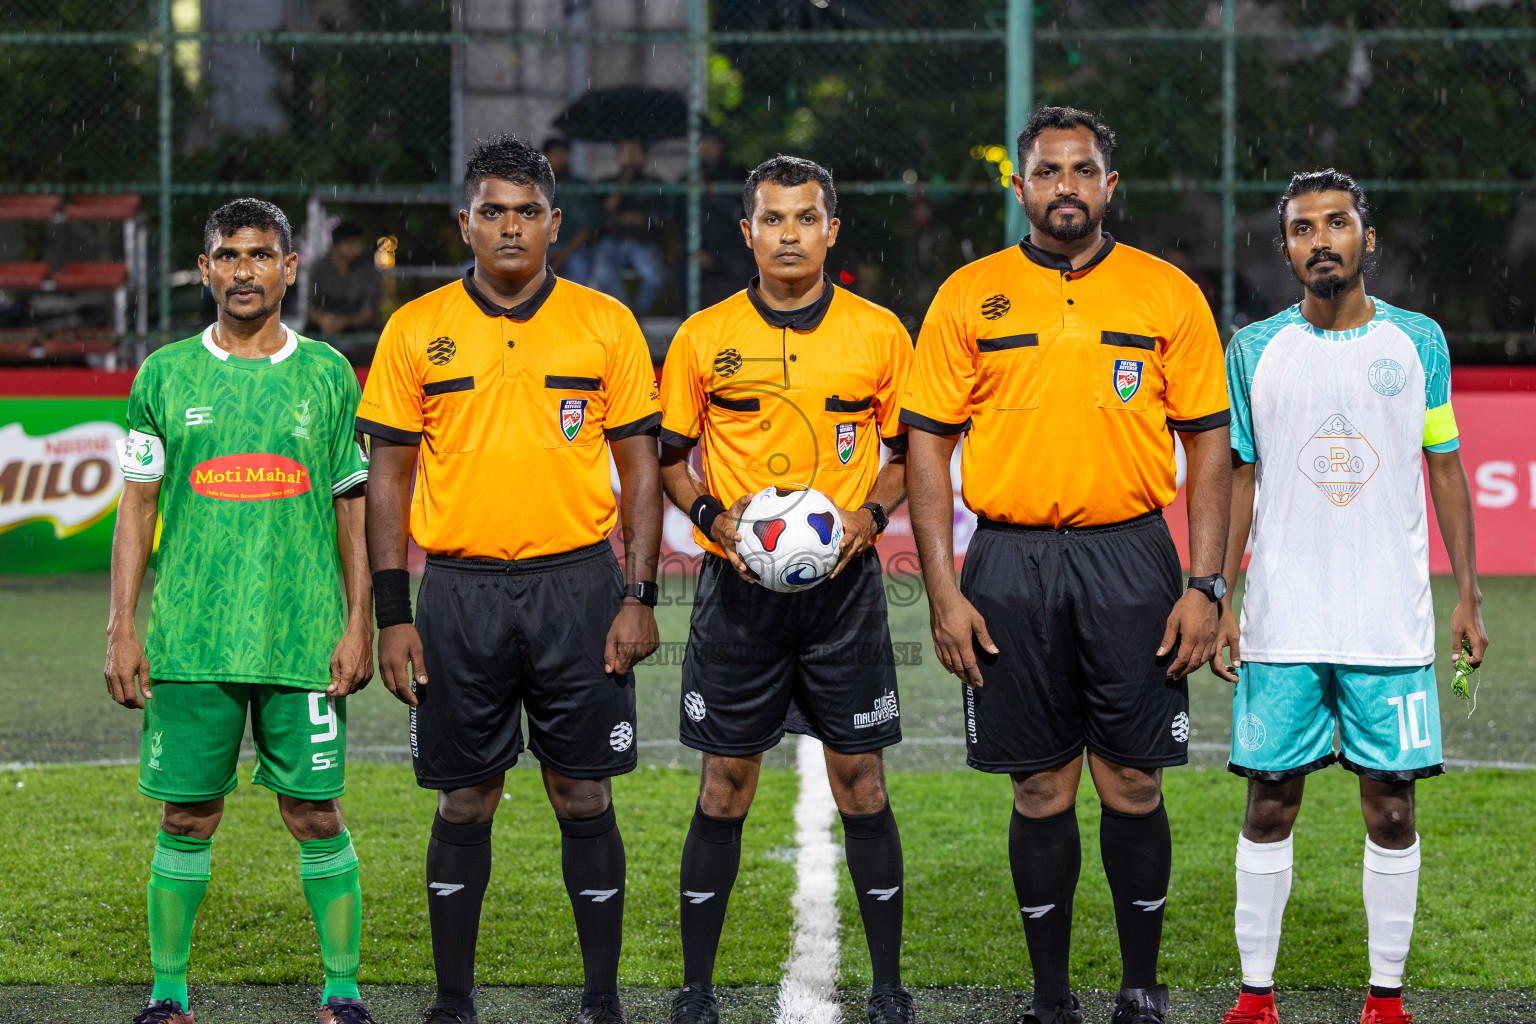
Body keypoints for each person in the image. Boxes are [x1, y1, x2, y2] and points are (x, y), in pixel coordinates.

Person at [902, 106, 1233, 1024]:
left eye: (1083, 171)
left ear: (1109, 185)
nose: (1065, 188)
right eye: (1047, 173)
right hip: (1006, 561)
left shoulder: (1167, 294)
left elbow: (1210, 444)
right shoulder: (969, 295)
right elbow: (926, 445)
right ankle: (1050, 998)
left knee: (1132, 781)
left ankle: (1140, 988)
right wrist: (942, 591)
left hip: (1132, 556)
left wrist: (1205, 586)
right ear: (1019, 186)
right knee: (1040, 784)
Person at [357, 133, 662, 1024]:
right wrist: (391, 613)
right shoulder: (415, 328)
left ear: (554, 223)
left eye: (528, 211)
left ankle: (600, 999)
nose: (511, 226)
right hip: (456, 593)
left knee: (583, 791)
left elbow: (641, 469)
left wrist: (639, 597)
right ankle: (454, 1003)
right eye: (493, 210)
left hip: (579, 588)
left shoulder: (605, 323)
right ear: (465, 223)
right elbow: (389, 478)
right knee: (466, 796)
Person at [1215, 170, 1489, 1024]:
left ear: (1366, 241)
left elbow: (1443, 464)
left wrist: (1469, 594)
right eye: (1303, 228)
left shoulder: (1419, 343)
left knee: (1393, 804)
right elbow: (1243, 480)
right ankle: (1256, 997)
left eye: (1338, 224)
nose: (1321, 239)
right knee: (1268, 801)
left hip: (1389, 622)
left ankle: (1386, 998)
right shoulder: (1255, 351)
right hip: (1283, 623)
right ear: (1288, 247)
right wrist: (1221, 595)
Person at [104, 197, 376, 1024]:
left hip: (302, 638)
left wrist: (359, 619)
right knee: (187, 816)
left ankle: (342, 990)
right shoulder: (163, 375)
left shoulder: (328, 374)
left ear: (290, 268)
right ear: (205, 269)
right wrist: (122, 626)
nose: (244, 270)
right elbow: (136, 508)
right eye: (228, 255)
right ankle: (169, 994)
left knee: (315, 812)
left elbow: (351, 512)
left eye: (261, 255)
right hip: (189, 638)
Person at [658, 155, 916, 1024]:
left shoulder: (879, 334)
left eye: (807, 218)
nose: (791, 234)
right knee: (725, 785)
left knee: (862, 785)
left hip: (844, 594)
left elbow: (905, 456)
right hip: (740, 597)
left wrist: (869, 521)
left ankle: (887, 988)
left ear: (832, 230)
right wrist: (712, 516)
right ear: (748, 232)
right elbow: (666, 457)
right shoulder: (702, 338)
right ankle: (696, 989)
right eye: (773, 219)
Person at [589, 136, 671, 314]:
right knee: (603, 272)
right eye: (626, 153)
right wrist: (622, 184)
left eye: (634, 153)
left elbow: (656, 218)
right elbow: (604, 214)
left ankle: (636, 314)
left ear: (643, 156)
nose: (630, 158)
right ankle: (625, 313)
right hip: (614, 239)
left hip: (642, 240)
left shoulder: (653, 183)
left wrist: (631, 218)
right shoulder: (608, 182)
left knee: (655, 275)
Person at [307, 221, 382, 336]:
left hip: (358, 329)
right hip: (323, 326)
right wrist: (323, 320)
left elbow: (369, 312)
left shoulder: (367, 269)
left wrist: (344, 322)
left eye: (358, 243)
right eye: (350, 243)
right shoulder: (321, 267)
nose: (357, 248)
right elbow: (311, 308)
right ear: (336, 246)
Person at [543, 138, 598, 286]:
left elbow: (587, 227)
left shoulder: (578, 186)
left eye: (563, 154)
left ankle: (571, 308)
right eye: (555, 154)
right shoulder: (533, 186)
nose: (560, 158)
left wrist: (565, 253)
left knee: (579, 268)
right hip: (540, 246)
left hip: (573, 246)